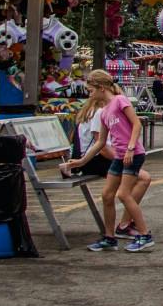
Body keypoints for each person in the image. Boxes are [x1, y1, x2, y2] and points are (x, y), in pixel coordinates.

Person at [64, 71, 154, 252]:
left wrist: (130, 148)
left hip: (132, 154)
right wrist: (81, 161)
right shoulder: (104, 112)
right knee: (107, 195)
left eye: (91, 90)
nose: (89, 94)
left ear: (101, 88)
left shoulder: (120, 101)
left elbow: (136, 124)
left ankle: (144, 235)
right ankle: (109, 237)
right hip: (120, 156)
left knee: (123, 194)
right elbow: (100, 143)